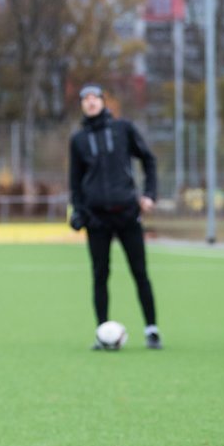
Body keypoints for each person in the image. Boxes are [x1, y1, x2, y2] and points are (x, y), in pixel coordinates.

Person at [68, 83, 163, 350]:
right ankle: (102, 332)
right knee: (100, 275)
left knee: (140, 273)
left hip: (127, 214)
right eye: (84, 98)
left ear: (102, 101)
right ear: (82, 105)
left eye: (94, 97)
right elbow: (75, 182)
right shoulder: (78, 140)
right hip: (96, 219)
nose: (90, 102)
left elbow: (149, 160)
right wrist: (78, 212)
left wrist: (149, 194)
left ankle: (152, 330)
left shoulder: (123, 129)